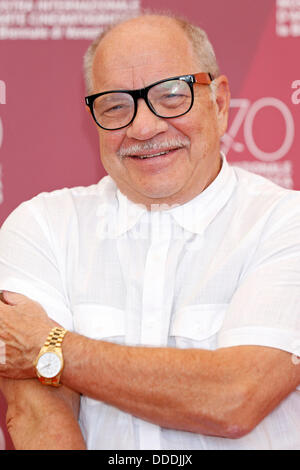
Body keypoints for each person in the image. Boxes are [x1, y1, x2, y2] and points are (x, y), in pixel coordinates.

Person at [0, 12, 300, 451]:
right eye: (116, 106)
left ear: (218, 103)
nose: (143, 127)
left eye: (172, 95)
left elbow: (235, 396)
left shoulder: (286, 223)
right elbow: (37, 412)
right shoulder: (42, 225)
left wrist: (53, 347)